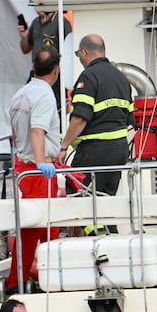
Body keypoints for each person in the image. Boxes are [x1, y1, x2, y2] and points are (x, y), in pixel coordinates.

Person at [56, 34, 134, 235]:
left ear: (84, 52)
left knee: (78, 195)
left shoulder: (88, 77)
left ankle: (99, 238)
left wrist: (64, 146)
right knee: (105, 203)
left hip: (95, 151)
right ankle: (114, 243)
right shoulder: (121, 78)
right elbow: (130, 119)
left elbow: (80, 118)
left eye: (78, 55)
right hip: (118, 151)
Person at [6, 47, 62, 294]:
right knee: (45, 227)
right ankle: (46, 280)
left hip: (23, 164)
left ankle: (22, 280)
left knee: (32, 228)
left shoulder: (20, 94)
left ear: (33, 68)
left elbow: (15, 134)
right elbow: (37, 131)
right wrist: (42, 164)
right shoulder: (45, 96)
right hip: (38, 169)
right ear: (56, 70)